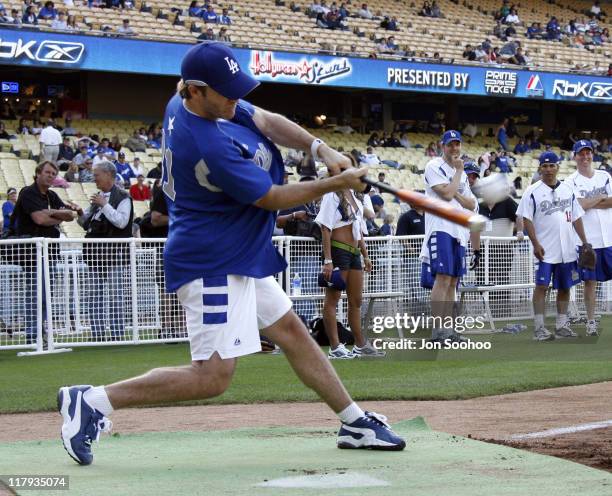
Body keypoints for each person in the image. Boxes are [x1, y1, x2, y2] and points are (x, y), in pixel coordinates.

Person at [58, 42, 405, 466]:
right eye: (225, 92)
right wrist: (336, 183)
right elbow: (272, 196)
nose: (235, 98)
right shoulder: (203, 142)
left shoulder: (195, 101)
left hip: (236, 251)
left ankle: (353, 421)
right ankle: (91, 401)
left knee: (292, 332)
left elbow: (265, 120)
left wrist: (321, 150)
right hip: (214, 262)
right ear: (196, 91)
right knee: (212, 378)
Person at [517, 151, 589, 341]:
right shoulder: (532, 191)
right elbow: (527, 219)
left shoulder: (568, 190)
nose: (548, 169)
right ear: (540, 168)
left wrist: (585, 242)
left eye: (552, 165)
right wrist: (535, 243)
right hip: (545, 249)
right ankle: (539, 328)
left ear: (558, 167)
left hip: (567, 249)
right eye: (545, 165)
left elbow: (576, 217)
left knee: (565, 287)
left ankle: (561, 325)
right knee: (541, 286)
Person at [315, 155, 382, 359]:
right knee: (333, 299)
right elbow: (325, 227)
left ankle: (360, 344)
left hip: (353, 252)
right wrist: (328, 260)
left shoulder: (355, 195)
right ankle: (335, 347)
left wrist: (365, 254)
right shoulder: (331, 194)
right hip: (337, 250)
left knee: (356, 300)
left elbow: (358, 228)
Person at [420, 130, 477, 342]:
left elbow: (471, 204)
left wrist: (456, 189)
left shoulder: (458, 172)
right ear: (442, 146)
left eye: (457, 144)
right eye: (450, 144)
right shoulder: (434, 166)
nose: (454, 148)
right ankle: (437, 330)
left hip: (459, 231)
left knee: (454, 280)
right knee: (443, 278)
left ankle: (449, 329)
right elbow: (446, 194)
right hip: (441, 227)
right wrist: (458, 174)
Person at [12, 162, 78, 343]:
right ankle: (34, 335)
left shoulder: (52, 195)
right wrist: (57, 217)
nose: (50, 176)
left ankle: (41, 333)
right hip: (32, 253)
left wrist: (52, 212)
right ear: (38, 173)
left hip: (49, 252)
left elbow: (70, 216)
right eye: (47, 172)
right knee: (36, 294)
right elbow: (39, 220)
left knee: (46, 294)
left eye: (53, 173)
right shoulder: (28, 193)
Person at [74, 161, 133, 342]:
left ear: (108, 175)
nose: (94, 178)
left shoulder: (123, 197)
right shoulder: (99, 197)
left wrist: (104, 205)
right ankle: (97, 334)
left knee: (116, 296)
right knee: (94, 296)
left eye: (97, 174)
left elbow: (121, 222)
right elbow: (87, 224)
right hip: (95, 255)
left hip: (114, 255)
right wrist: (78, 213)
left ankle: (117, 335)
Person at [565, 140, 612, 336]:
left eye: (588, 153)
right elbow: (578, 206)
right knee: (590, 283)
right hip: (586, 240)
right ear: (575, 156)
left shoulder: (605, 176)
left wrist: (589, 202)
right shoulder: (570, 181)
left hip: (609, 238)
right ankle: (591, 321)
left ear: (593, 154)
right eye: (581, 154)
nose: (585, 157)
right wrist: (600, 198)